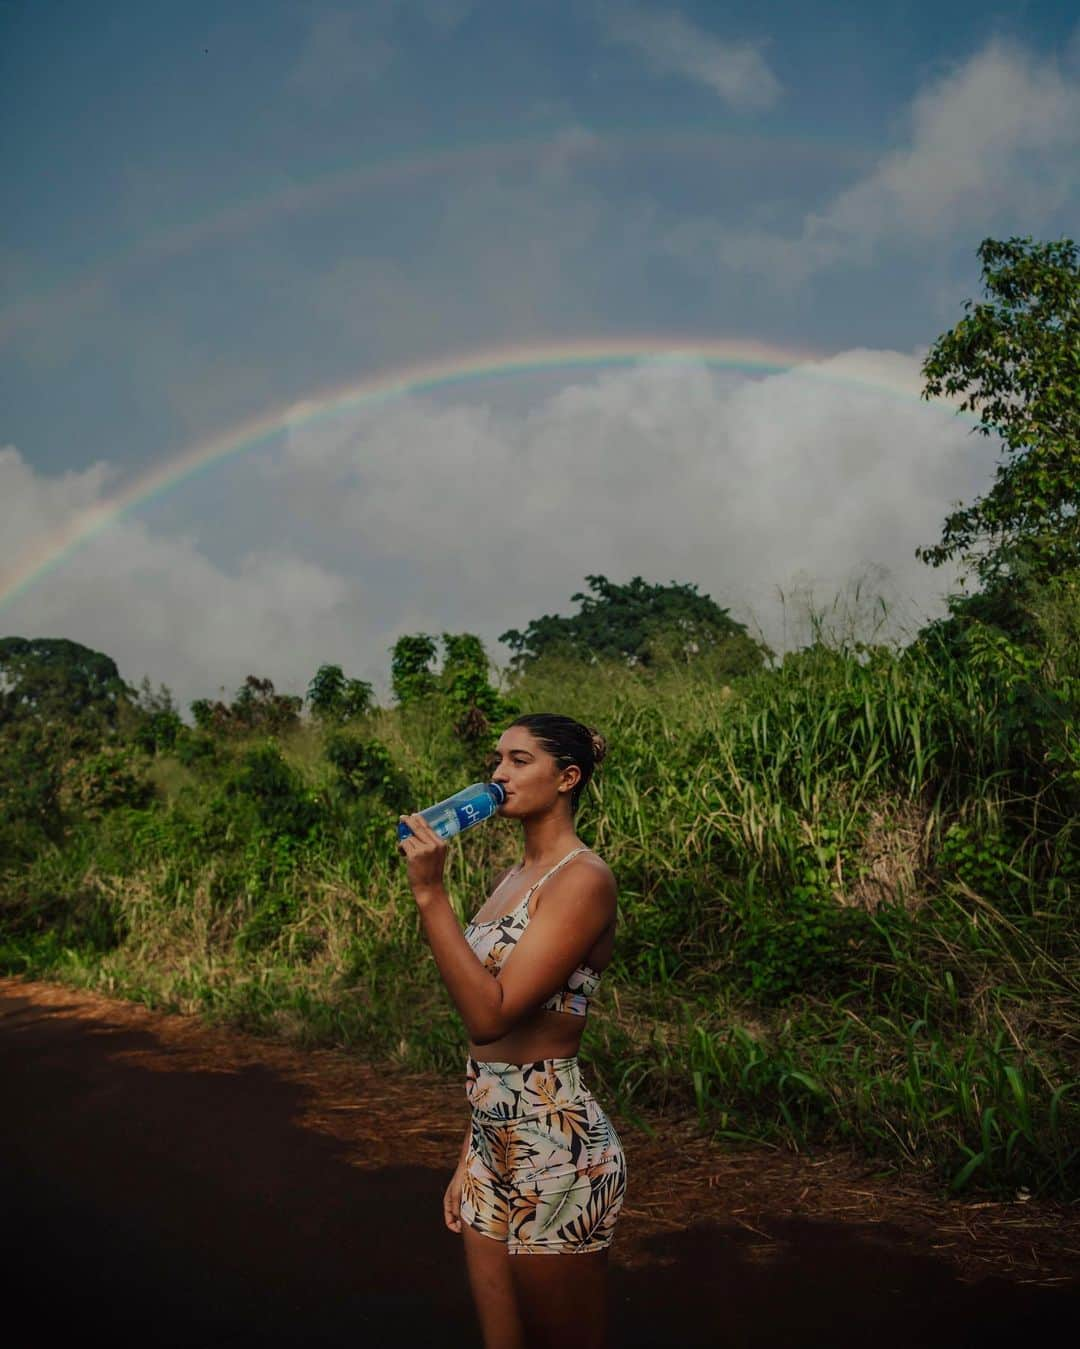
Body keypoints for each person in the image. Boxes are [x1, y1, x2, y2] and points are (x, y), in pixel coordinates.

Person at [398, 712, 626, 1349]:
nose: (499, 774)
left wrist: (431, 895)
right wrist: (470, 1152)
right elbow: (487, 1051)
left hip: (555, 1142)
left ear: (567, 777)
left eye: (519, 761)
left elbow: (491, 1016)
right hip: (491, 1133)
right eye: (497, 760)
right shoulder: (511, 880)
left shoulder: (583, 880)